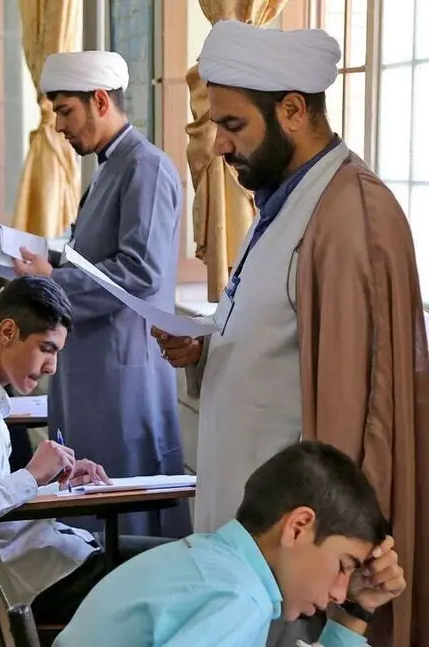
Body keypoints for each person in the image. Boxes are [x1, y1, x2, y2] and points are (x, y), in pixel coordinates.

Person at [152, 21, 428, 646]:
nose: (219, 144)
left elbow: (365, 420)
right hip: (252, 551)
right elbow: (278, 344)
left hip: (297, 564)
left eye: (233, 124)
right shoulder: (281, 202)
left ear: (294, 111)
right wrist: (202, 349)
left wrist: (345, 578)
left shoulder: (350, 217)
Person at [0, 275, 165, 623]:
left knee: (181, 559)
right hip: (23, 583)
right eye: (46, 348)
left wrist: (46, 480)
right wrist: (30, 477)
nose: (52, 367)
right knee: (183, 576)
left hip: (37, 559)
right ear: (7, 332)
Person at [12, 51, 188, 538]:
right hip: (93, 369)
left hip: (122, 373)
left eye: (65, 112)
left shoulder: (146, 168)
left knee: (123, 511)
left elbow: (139, 273)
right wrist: (47, 260)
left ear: (100, 101)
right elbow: (91, 258)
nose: (59, 127)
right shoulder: (108, 170)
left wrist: (52, 279)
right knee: (83, 506)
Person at [54, 442, 407, 647]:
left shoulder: (212, 562)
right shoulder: (237, 597)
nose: (340, 594)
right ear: (298, 528)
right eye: (343, 566)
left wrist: (358, 610)